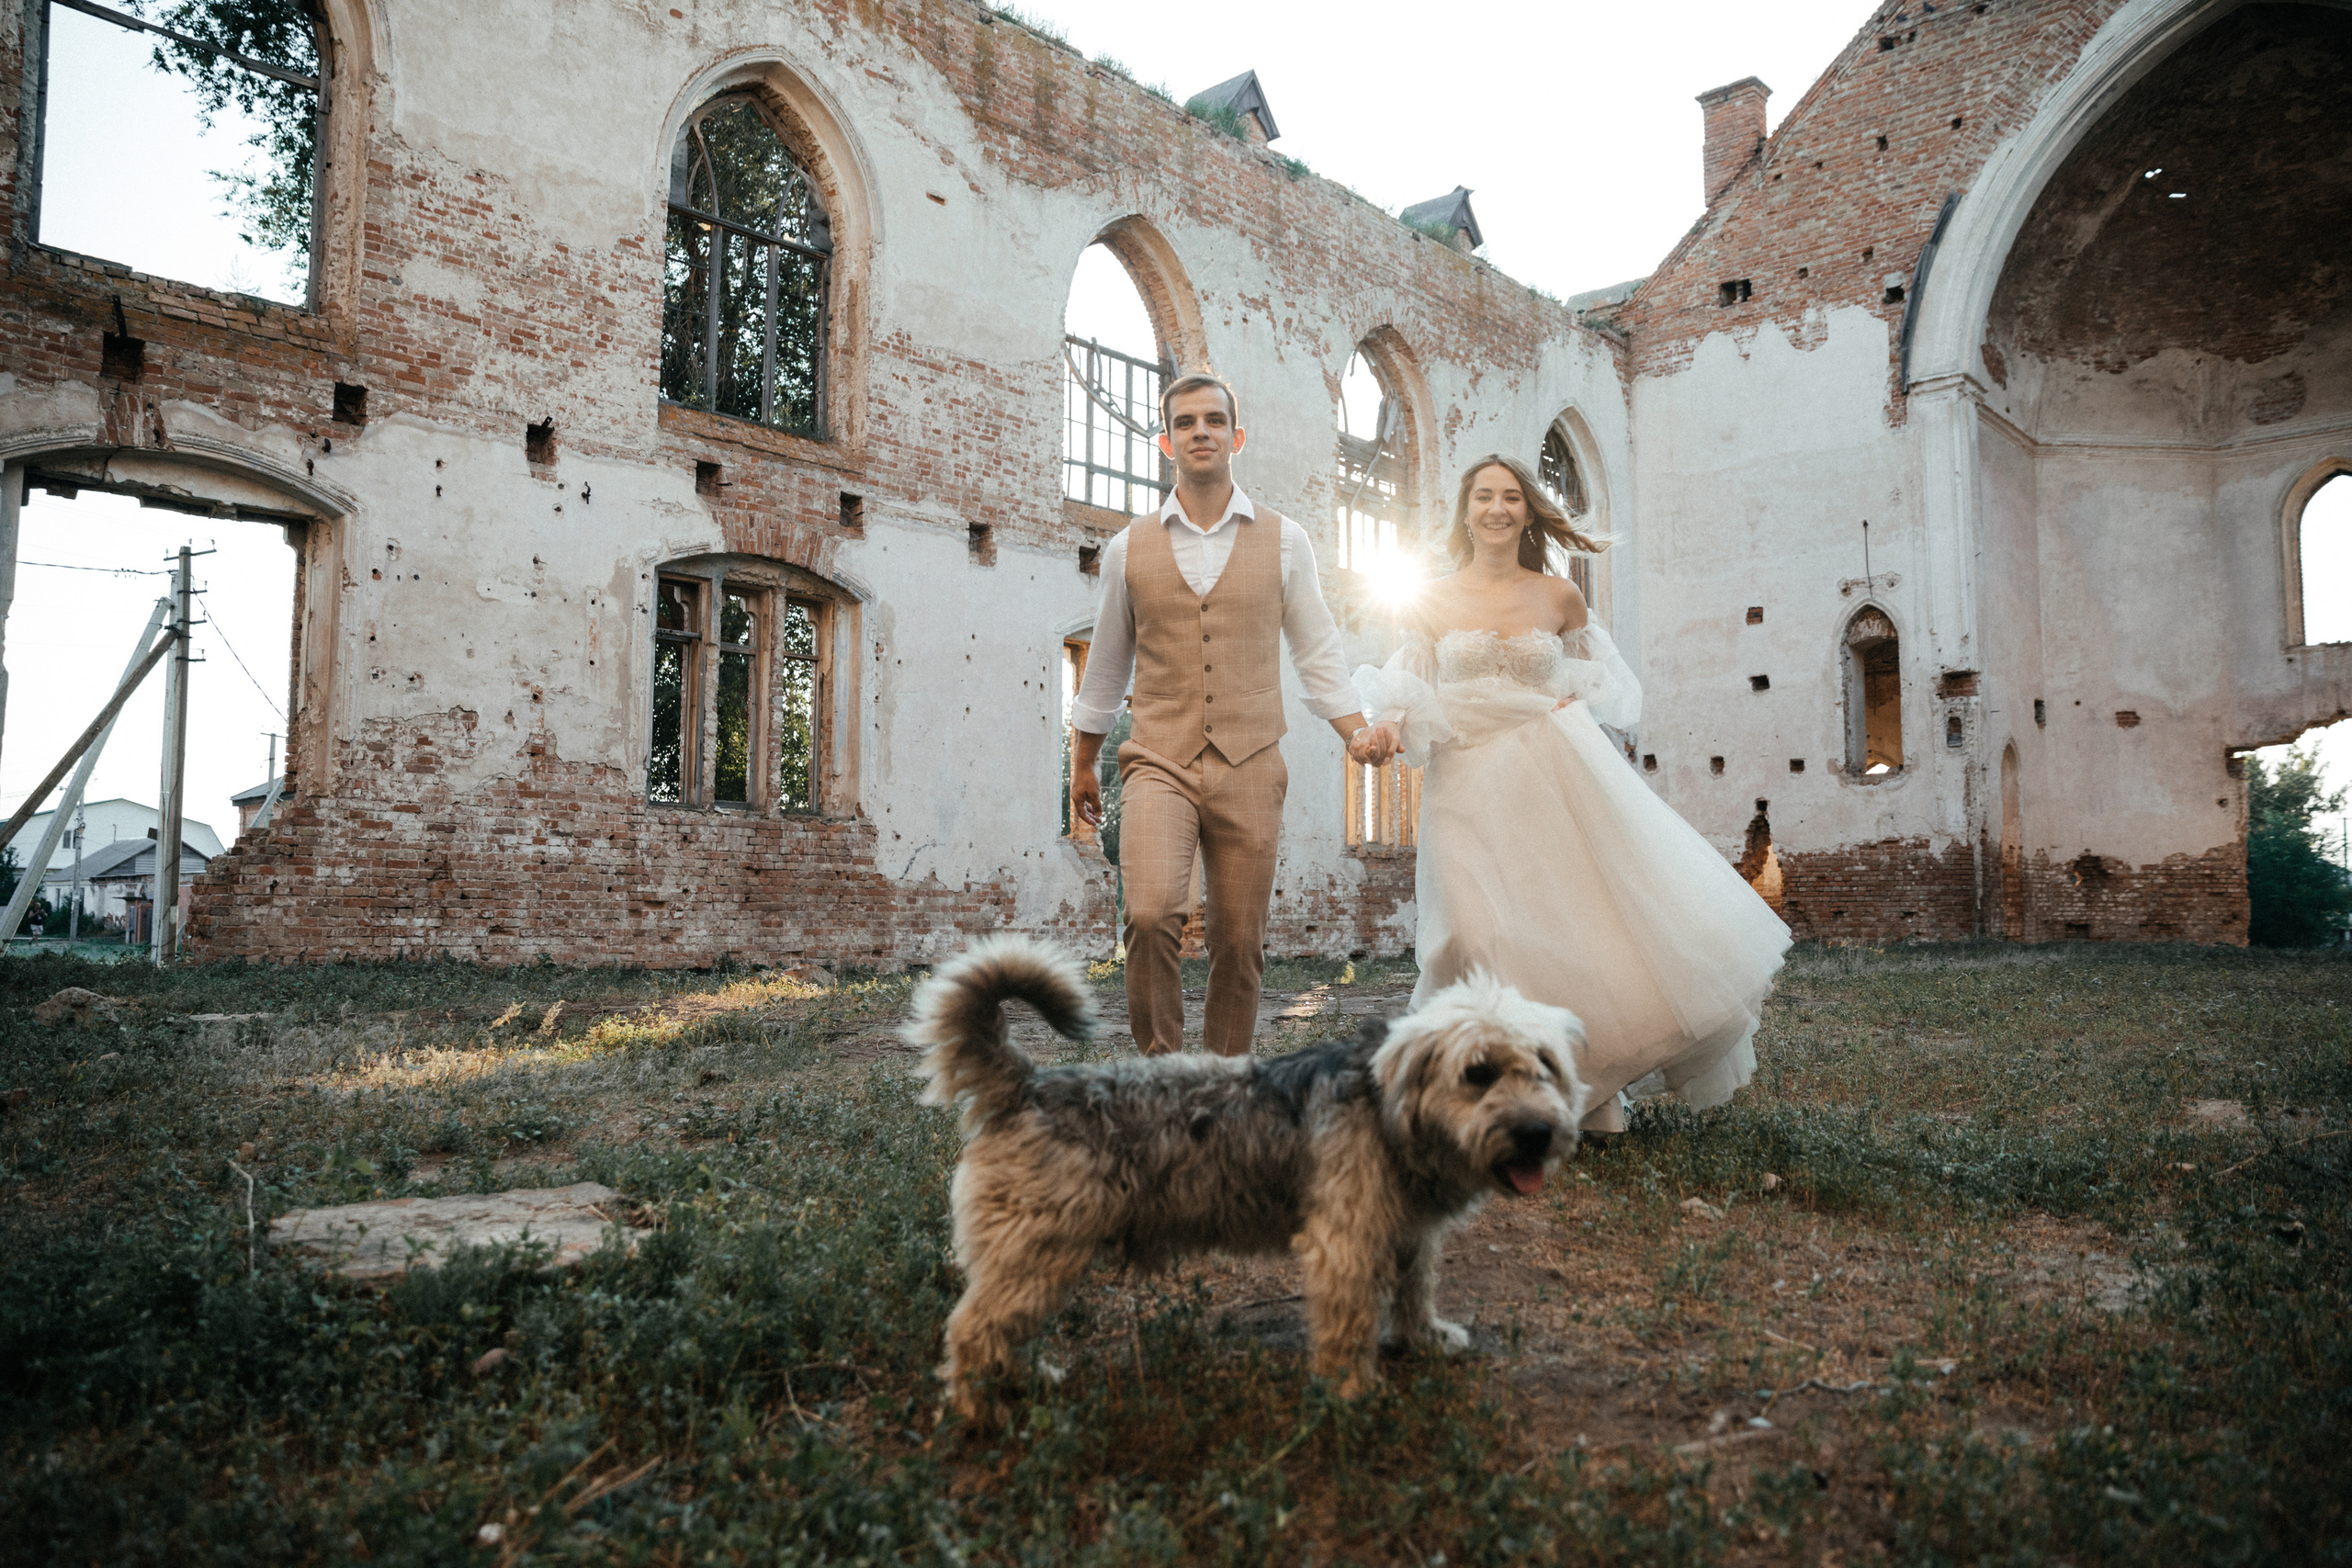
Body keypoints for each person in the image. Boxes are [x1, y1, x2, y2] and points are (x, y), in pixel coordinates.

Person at [1355, 455, 1791, 1130]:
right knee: (1469, 932)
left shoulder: (1559, 596)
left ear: (1528, 511)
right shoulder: (1431, 598)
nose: (1497, 508)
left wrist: (1563, 702)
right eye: (1483, 496)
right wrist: (1383, 728)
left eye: (1511, 497)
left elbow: (1601, 683)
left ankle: (1584, 1087)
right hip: (1465, 776)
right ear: (1464, 512)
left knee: (1560, 927)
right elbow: (1407, 683)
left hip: (1547, 769)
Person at [1069, 373, 1384, 1056]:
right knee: (1149, 912)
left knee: (1239, 940)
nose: (1200, 432)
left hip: (1251, 761)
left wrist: (1355, 732)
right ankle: (1164, 1076)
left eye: (1214, 420)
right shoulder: (1128, 548)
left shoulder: (1286, 541)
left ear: (1236, 438)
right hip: (1158, 758)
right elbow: (1107, 665)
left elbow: (1317, 651)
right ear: (1167, 443)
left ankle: (1223, 1080)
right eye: (1185, 423)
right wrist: (1084, 761)